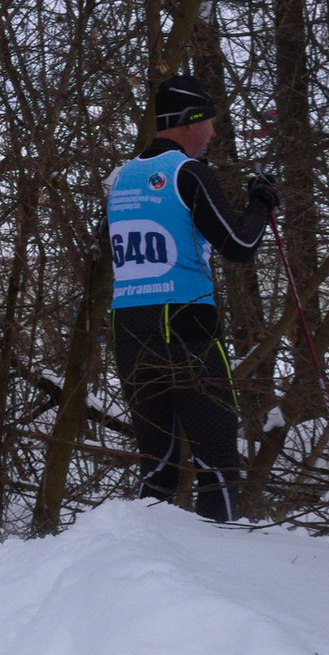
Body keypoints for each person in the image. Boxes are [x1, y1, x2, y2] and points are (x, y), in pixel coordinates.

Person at [105, 75, 279, 521]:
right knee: (217, 465)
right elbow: (239, 247)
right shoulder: (188, 173)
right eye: (210, 124)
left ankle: (149, 572)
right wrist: (261, 201)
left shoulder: (119, 178)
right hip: (187, 328)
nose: (214, 134)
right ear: (190, 122)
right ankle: (220, 567)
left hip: (130, 331)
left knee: (158, 467)